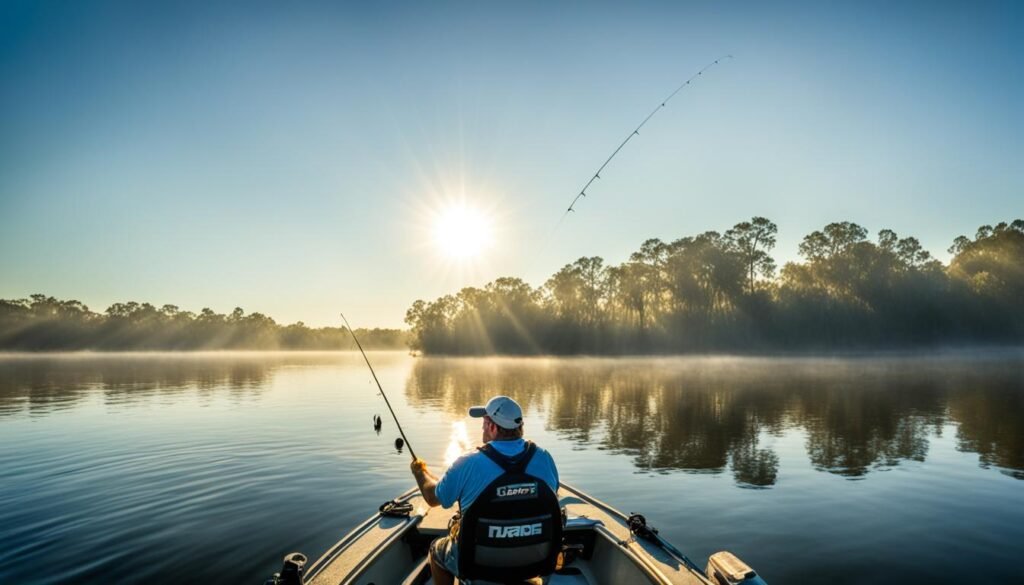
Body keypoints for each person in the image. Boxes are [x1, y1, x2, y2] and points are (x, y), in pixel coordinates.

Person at [411, 395, 560, 585]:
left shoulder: (467, 463)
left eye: (484, 421)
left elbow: (432, 497)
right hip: (535, 562)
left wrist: (420, 472)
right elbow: (552, 495)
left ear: (492, 427)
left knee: (436, 550)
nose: (482, 427)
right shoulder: (544, 458)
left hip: (478, 565)